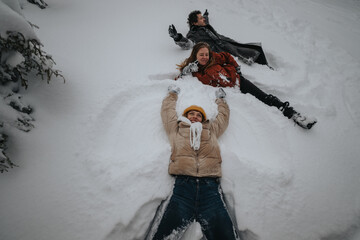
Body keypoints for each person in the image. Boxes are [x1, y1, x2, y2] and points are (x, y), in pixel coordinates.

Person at [145, 86, 239, 240]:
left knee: (225, 235)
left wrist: (221, 100)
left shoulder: (211, 130)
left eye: (198, 115)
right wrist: (172, 95)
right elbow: (167, 113)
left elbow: (223, 118)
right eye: (191, 114)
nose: (195, 117)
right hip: (183, 189)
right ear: (186, 116)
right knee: (164, 235)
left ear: (203, 119)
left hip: (210, 190)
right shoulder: (176, 130)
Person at [177, 42, 317, 130]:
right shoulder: (195, 70)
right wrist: (185, 72)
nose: (205, 57)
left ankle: (292, 113)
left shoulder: (215, 57)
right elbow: (179, 80)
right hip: (231, 91)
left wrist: (236, 67)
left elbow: (227, 56)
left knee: (264, 97)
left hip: (238, 81)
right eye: (201, 55)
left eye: (206, 54)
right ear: (195, 55)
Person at [168, 9, 271, 67]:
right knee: (254, 50)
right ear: (195, 23)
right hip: (222, 49)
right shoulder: (193, 33)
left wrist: (206, 15)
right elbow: (189, 43)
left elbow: (206, 21)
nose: (203, 19)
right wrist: (177, 37)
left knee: (256, 49)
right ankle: (266, 68)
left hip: (227, 42)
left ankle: (266, 66)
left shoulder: (204, 25)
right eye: (200, 18)